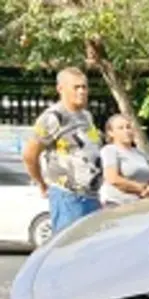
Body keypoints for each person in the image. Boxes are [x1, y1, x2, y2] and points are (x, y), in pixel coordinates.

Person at [22, 67, 103, 233]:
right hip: (69, 197)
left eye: (84, 87)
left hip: (92, 195)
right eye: (76, 87)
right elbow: (30, 155)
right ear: (60, 89)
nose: (82, 91)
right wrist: (42, 183)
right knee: (70, 250)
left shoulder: (86, 116)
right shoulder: (52, 117)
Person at [99, 114, 149, 206]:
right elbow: (112, 178)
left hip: (141, 204)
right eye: (121, 128)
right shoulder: (110, 150)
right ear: (111, 133)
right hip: (117, 204)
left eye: (128, 127)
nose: (126, 131)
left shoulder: (140, 153)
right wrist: (139, 188)